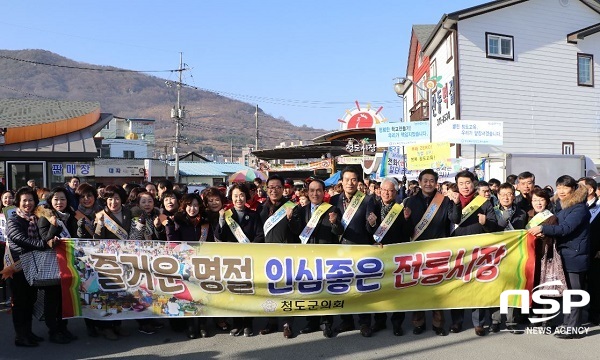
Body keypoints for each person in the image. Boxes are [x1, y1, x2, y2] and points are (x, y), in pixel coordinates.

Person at [528, 175, 590, 339]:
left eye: (565, 187)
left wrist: (543, 229)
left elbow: (565, 228)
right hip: (565, 253)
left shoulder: (579, 208)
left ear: (573, 189)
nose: (561, 191)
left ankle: (573, 327)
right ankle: (567, 322)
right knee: (567, 291)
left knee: (575, 293)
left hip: (575, 254)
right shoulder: (563, 206)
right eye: (559, 187)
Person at [401, 169, 455, 337]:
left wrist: (457, 203)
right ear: (419, 181)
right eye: (425, 180)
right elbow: (407, 230)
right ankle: (419, 322)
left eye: (432, 180)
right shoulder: (410, 201)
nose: (428, 183)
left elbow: (453, 221)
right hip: (417, 250)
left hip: (438, 249)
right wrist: (407, 219)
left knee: (438, 288)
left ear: (436, 183)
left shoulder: (444, 201)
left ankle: (438, 323)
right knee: (418, 288)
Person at [289, 179, 343, 338]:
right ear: (307, 192)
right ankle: (311, 322)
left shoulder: (332, 209)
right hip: (307, 257)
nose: (315, 193)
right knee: (309, 289)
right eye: (312, 190)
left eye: (318, 190)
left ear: (324, 192)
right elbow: (296, 231)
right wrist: (291, 219)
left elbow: (339, 231)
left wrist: (334, 223)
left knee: (325, 290)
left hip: (326, 257)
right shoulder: (301, 210)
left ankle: (326, 323)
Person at [448, 170, 498, 336]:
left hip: (478, 250)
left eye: (467, 183)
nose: (465, 187)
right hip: (457, 250)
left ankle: (479, 323)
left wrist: (485, 223)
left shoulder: (483, 202)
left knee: (478, 286)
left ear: (474, 184)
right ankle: (457, 321)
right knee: (458, 286)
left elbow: (493, 224)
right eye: (461, 184)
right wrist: (455, 203)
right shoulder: (451, 200)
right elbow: (454, 219)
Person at [329, 167, 376, 337]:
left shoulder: (367, 200)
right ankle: (346, 321)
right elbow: (334, 230)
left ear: (358, 182)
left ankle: (364, 322)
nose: (350, 183)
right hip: (341, 250)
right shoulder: (334, 200)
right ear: (341, 181)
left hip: (360, 250)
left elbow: (370, 228)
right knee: (343, 287)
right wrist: (334, 223)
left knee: (362, 287)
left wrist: (371, 223)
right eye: (347, 179)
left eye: (354, 179)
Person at [215, 183, 265, 337]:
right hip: (232, 261)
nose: (239, 198)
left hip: (249, 260)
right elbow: (219, 237)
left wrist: (249, 249)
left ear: (246, 197)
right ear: (231, 197)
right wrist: (222, 220)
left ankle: (248, 324)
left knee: (248, 292)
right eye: (235, 195)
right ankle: (237, 323)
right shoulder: (226, 215)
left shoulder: (254, 214)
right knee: (234, 292)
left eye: (242, 195)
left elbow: (259, 236)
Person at [367, 177, 413, 336]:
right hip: (378, 254)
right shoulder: (373, 205)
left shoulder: (400, 209)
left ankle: (397, 323)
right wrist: (372, 224)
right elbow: (368, 230)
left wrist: (407, 220)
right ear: (379, 190)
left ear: (395, 192)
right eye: (384, 190)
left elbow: (408, 234)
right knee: (378, 289)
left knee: (396, 289)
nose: (387, 193)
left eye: (390, 190)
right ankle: (379, 321)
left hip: (396, 254)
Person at [166, 193, 213, 339]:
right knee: (187, 295)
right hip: (184, 265)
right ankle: (190, 324)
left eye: (195, 205)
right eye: (189, 205)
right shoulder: (177, 221)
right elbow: (172, 242)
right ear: (184, 206)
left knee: (203, 294)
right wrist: (168, 226)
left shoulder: (205, 222)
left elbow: (211, 242)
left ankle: (203, 324)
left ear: (200, 206)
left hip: (203, 263)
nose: (192, 208)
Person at [259, 174, 299, 338]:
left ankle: (287, 323)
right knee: (269, 290)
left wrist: (290, 219)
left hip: (286, 255)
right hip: (266, 256)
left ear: (283, 189)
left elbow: (298, 233)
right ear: (266, 189)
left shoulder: (292, 207)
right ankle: (271, 321)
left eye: (277, 187)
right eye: (271, 187)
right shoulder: (261, 208)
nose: (274, 190)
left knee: (286, 290)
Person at [36, 187, 78, 344]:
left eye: (63, 199)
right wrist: (54, 225)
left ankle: (63, 327)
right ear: (50, 201)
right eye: (56, 199)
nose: (59, 202)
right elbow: (45, 240)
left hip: (67, 263)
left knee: (64, 298)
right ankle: (53, 330)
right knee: (52, 299)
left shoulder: (70, 217)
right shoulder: (44, 217)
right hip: (52, 264)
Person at [5, 187, 44, 347]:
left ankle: (28, 332)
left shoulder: (36, 218)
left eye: (31, 200)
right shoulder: (13, 220)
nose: (28, 203)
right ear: (18, 203)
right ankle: (20, 336)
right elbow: (20, 239)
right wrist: (43, 244)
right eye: (24, 200)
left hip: (33, 265)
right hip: (18, 266)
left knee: (30, 301)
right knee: (20, 302)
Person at [93, 185, 132, 340]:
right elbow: (96, 240)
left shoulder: (129, 213)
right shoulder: (101, 215)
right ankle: (106, 327)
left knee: (121, 293)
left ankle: (117, 324)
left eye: (116, 198)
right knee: (106, 294)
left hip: (125, 260)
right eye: (110, 199)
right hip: (107, 261)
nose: (113, 202)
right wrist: (100, 224)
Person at [489, 183, 527, 333]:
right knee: (496, 288)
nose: (506, 197)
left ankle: (511, 321)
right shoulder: (492, 212)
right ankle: (495, 320)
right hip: (496, 255)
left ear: (514, 195)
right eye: (503, 194)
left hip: (515, 255)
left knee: (513, 287)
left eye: (509, 194)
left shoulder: (522, 213)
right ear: (498, 196)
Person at [577, 177, 600, 325]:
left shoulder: (598, 208)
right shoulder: (577, 206)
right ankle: (577, 317)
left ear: (590, 190)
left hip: (596, 253)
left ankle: (595, 316)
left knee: (595, 284)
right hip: (578, 253)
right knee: (578, 286)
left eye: (580, 187)